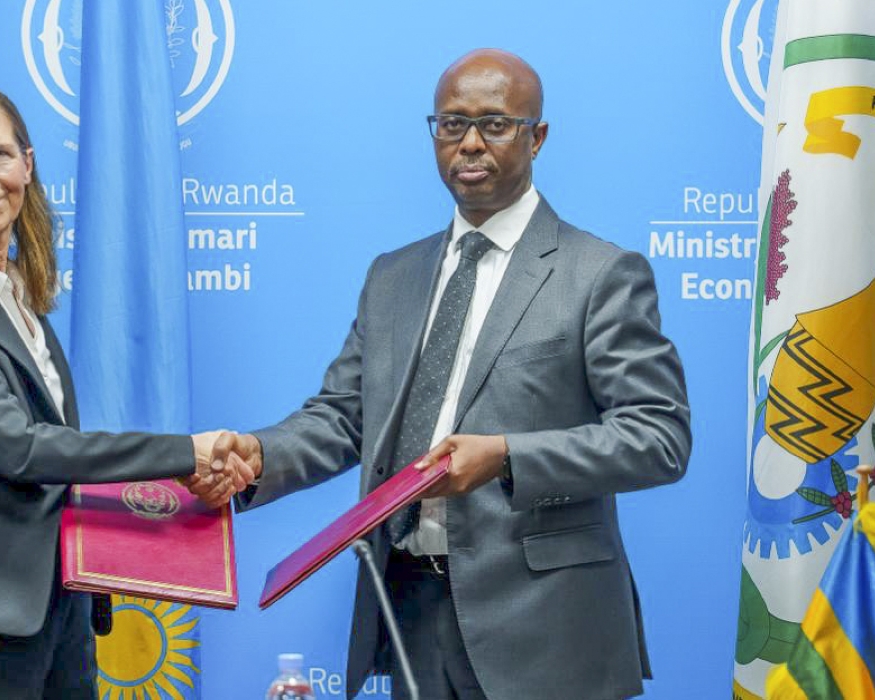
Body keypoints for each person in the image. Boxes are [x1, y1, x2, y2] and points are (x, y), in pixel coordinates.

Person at [199, 49, 692, 700]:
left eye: (495, 124)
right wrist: (259, 455)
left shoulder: (599, 274)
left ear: (537, 137)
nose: (470, 143)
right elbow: (345, 417)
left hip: (545, 625)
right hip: (409, 607)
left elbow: (658, 438)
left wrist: (506, 456)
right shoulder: (392, 276)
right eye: (452, 124)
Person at [0, 82, 242, 699]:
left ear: (28, 163)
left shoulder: (18, 293)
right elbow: (18, 448)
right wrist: (184, 453)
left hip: (57, 608)